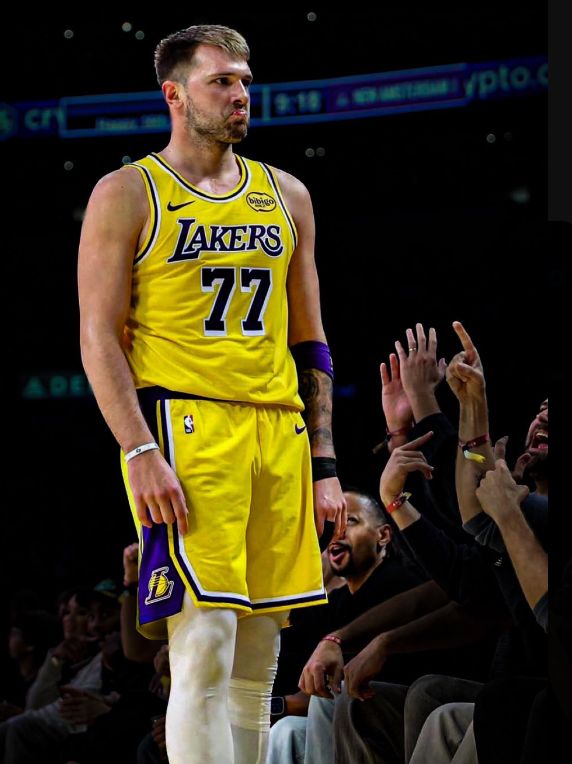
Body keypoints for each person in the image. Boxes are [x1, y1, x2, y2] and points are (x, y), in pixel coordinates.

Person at [77, 23, 345, 764]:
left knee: (257, 663)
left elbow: (311, 340)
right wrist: (138, 450)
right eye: (221, 81)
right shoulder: (127, 192)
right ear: (174, 94)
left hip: (279, 433)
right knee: (204, 648)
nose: (240, 95)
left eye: (245, 81)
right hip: (185, 428)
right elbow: (98, 337)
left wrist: (325, 465)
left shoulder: (287, 194)